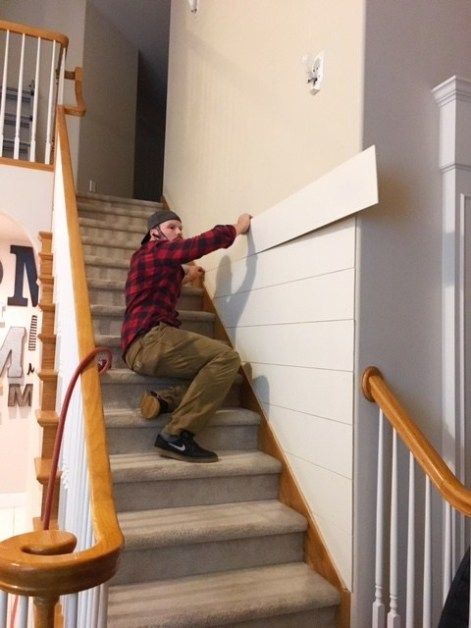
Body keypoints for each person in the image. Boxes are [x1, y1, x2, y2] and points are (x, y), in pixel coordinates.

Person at [121, 209, 252, 463]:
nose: (179, 233)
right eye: (172, 227)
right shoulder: (152, 250)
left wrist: (187, 274)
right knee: (225, 359)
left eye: (181, 229)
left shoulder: (150, 261)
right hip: (150, 339)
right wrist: (236, 228)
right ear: (154, 232)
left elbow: (164, 279)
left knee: (210, 374)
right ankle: (175, 435)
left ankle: (164, 400)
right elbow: (195, 246)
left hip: (140, 348)